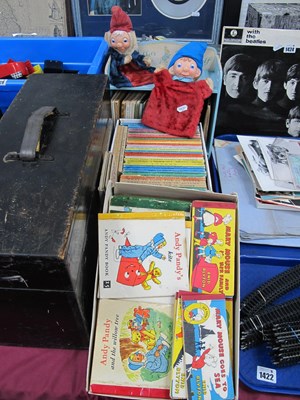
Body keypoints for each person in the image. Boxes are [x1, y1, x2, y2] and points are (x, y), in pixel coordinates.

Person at [141, 41, 213, 138]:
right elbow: (207, 89)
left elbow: (206, 89)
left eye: (191, 66)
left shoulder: (197, 88)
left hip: (170, 126)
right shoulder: (167, 82)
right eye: (179, 65)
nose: (185, 69)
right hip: (163, 125)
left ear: (197, 73)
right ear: (172, 68)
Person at [104, 6, 155, 87]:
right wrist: (123, 61)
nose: (119, 45)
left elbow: (136, 56)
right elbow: (112, 64)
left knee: (150, 74)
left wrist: (144, 59)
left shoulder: (130, 50)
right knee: (133, 79)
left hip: (134, 70)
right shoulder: (113, 52)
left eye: (124, 41)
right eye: (114, 41)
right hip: (121, 74)